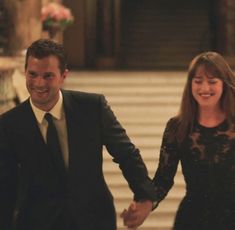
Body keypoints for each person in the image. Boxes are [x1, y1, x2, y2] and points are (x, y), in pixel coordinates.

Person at [0, 38, 157, 230]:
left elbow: (126, 153)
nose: (39, 83)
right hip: (38, 223)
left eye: (48, 76)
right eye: (32, 74)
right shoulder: (9, 124)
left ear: (63, 76)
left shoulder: (93, 108)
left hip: (94, 220)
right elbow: (5, 186)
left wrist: (145, 197)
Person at [122, 51, 235, 229]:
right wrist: (146, 204)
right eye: (198, 81)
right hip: (193, 218)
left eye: (212, 82)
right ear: (190, 84)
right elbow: (163, 180)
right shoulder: (177, 127)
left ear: (224, 85)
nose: (204, 88)